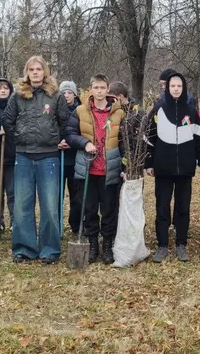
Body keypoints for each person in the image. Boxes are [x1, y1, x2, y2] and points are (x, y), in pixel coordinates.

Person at [4, 56, 70, 264]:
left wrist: (57, 139)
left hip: (48, 157)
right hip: (23, 157)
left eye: (38, 69)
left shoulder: (55, 96)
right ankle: (24, 248)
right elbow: (8, 121)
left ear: (45, 72)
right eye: (31, 69)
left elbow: (65, 121)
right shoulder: (17, 96)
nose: (35, 73)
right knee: (23, 205)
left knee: (50, 205)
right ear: (27, 72)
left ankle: (49, 249)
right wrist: (19, 140)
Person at [145, 71, 200, 263]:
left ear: (183, 88)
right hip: (163, 169)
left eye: (179, 86)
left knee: (183, 207)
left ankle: (181, 245)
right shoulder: (158, 111)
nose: (175, 89)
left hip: (185, 169)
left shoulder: (191, 112)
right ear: (167, 87)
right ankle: (162, 245)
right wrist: (149, 163)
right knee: (162, 207)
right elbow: (149, 139)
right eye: (172, 86)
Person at [66, 74, 126, 264]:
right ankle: (93, 244)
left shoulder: (118, 113)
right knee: (90, 209)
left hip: (110, 168)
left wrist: (124, 166)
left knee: (109, 209)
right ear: (90, 89)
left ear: (107, 90)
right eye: (96, 88)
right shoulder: (80, 111)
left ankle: (107, 244)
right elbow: (69, 134)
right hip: (87, 169)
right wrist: (84, 143)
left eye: (102, 88)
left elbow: (124, 143)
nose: (99, 91)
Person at [0, 78, 16, 233]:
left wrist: (9, 131)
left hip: (11, 155)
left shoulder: (14, 106)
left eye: (5, 88)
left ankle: (14, 220)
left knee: (12, 191)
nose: (2, 90)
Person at [59, 80, 83, 234]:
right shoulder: (55, 109)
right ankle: (56, 225)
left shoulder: (81, 110)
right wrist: (57, 142)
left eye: (69, 92)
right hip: (58, 157)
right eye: (64, 93)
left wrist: (73, 143)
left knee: (77, 196)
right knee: (56, 196)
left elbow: (84, 131)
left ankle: (76, 225)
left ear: (75, 94)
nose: (66, 96)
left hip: (75, 159)